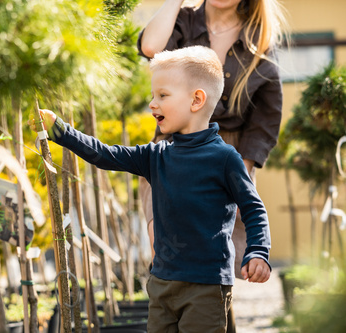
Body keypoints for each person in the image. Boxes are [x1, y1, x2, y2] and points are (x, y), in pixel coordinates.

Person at [32, 46, 271, 333]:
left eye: (163, 95)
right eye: (153, 95)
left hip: (206, 285)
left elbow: (254, 208)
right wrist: (61, 131)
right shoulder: (156, 155)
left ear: (196, 100)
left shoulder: (225, 159)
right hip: (162, 283)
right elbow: (106, 154)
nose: (152, 104)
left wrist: (258, 251)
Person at [137, 0, 286, 304]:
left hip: (228, 156)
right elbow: (151, 46)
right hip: (170, 152)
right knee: (166, 253)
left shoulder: (259, 41)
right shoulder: (184, 22)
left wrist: (237, 178)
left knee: (214, 271)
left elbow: (264, 123)